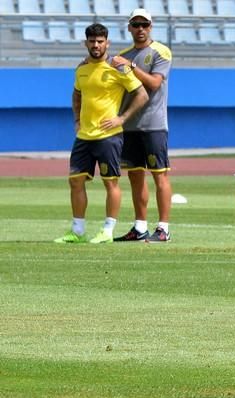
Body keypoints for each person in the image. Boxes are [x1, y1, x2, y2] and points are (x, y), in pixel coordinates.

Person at [54, 23, 148, 244]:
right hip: (84, 136)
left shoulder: (118, 67)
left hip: (109, 136)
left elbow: (142, 95)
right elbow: (77, 95)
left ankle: (107, 230)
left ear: (107, 43)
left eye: (100, 41)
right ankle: (77, 231)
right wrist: (77, 120)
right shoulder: (81, 68)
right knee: (75, 181)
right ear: (85, 43)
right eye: (92, 41)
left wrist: (122, 118)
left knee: (111, 183)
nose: (96, 45)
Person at [110, 8, 173, 243]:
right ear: (129, 28)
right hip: (130, 126)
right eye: (135, 25)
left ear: (151, 26)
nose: (140, 29)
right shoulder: (123, 55)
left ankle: (164, 228)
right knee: (135, 176)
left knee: (160, 176)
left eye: (144, 25)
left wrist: (131, 67)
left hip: (154, 125)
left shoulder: (160, 52)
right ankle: (140, 227)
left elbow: (155, 84)